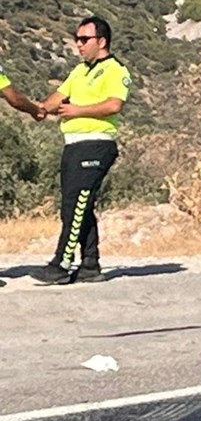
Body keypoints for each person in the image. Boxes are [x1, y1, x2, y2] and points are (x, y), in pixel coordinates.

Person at [30, 16, 131, 285]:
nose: (79, 44)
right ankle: (90, 264)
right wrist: (37, 108)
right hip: (73, 145)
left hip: (97, 143)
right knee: (74, 206)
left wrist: (78, 110)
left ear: (102, 41)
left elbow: (114, 105)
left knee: (77, 203)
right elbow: (56, 98)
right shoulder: (79, 71)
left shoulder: (115, 70)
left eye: (84, 39)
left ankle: (61, 264)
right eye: (77, 39)